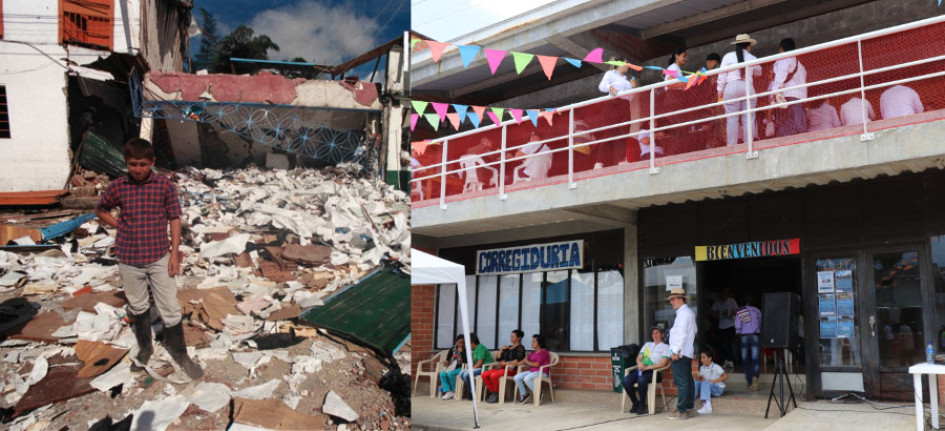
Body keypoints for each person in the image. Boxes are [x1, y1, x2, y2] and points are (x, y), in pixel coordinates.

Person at [95, 138, 204, 379]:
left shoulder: (164, 186)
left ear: (152, 162)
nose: (138, 169)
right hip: (129, 257)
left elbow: (174, 218)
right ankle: (145, 348)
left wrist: (174, 253)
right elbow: (101, 208)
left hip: (158, 256)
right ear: (126, 162)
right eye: (133, 164)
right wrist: (119, 226)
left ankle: (181, 354)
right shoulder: (118, 186)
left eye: (143, 164)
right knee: (137, 305)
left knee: (169, 306)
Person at [717, 34, 763, 146]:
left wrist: (720, 94)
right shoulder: (752, 58)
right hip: (747, 87)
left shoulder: (728, 57)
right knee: (748, 119)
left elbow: (721, 77)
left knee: (732, 119)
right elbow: (759, 72)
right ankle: (749, 145)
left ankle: (731, 146)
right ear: (748, 47)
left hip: (731, 87)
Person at [623, 326, 670, 415]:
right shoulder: (647, 345)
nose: (655, 335)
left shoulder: (666, 347)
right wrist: (639, 363)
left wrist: (648, 367)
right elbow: (639, 358)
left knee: (642, 379)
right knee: (626, 380)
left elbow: (664, 363)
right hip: (642, 369)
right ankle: (635, 402)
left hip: (655, 372)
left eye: (657, 333)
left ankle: (642, 405)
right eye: (653, 333)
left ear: (662, 335)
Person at [666, 287, 697, 420]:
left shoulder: (683, 314)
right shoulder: (687, 313)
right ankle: (688, 407)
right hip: (685, 352)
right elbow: (694, 330)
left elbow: (681, 334)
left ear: (679, 299)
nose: (671, 302)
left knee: (682, 382)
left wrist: (675, 351)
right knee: (687, 380)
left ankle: (681, 409)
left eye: (672, 299)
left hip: (680, 352)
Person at [768, 38, 808, 137]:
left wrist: (774, 92)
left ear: (781, 49)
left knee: (786, 130)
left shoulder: (784, 58)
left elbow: (780, 75)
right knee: (799, 130)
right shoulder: (801, 66)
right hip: (800, 100)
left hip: (786, 98)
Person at [482, 329, 527, 403]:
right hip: (502, 369)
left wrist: (506, 363)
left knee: (493, 375)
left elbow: (518, 361)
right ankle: (493, 392)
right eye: (510, 336)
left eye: (513, 336)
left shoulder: (520, 348)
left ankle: (496, 394)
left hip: (512, 370)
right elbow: (498, 358)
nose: (511, 338)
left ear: (519, 338)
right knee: (484, 374)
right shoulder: (508, 347)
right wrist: (501, 349)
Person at [512, 334, 551, 404]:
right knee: (517, 377)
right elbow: (524, 361)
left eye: (534, 342)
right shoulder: (533, 352)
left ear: (539, 343)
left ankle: (538, 394)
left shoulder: (543, 351)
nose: (531, 343)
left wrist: (527, 362)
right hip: (532, 372)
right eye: (532, 341)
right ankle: (525, 395)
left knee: (527, 379)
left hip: (542, 372)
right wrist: (515, 364)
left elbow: (537, 364)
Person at [735, 296, 762, 391]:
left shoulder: (741, 311)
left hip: (744, 337)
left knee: (745, 359)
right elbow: (760, 323)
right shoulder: (757, 311)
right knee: (755, 358)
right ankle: (755, 377)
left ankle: (750, 382)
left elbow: (738, 325)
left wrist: (738, 333)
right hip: (755, 335)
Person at [457, 333, 493, 400]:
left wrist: (472, 368)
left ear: (472, 342)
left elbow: (479, 363)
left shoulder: (481, 348)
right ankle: (472, 390)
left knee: (466, 375)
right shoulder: (474, 350)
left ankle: (472, 393)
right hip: (478, 368)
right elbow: (473, 363)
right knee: (461, 373)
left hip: (484, 368)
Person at [710, 287, 739, 369]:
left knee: (729, 344)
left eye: (726, 292)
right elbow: (711, 310)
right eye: (723, 292)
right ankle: (725, 361)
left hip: (730, 326)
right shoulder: (718, 303)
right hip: (721, 327)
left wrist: (732, 314)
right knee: (721, 345)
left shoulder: (731, 301)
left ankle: (731, 361)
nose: (724, 294)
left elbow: (737, 310)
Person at [694, 349, 728, 415]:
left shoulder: (716, 367)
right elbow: (703, 380)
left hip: (718, 389)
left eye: (704, 357)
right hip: (709, 388)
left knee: (706, 382)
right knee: (697, 382)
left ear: (710, 358)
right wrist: (696, 376)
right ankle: (690, 402)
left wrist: (713, 381)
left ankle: (708, 406)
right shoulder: (702, 368)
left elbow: (725, 376)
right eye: (701, 358)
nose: (702, 360)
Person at [438, 335, 467, 400]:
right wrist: (447, 361)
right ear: (456, 342)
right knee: (442, 374)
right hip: (451, 367)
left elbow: (466, 361)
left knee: (450, 374)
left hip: (461, 368)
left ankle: (455, 390)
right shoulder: (453, 349)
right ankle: (448, 391)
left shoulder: (465, 350)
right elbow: (448, 359)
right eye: (460, 342)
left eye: (463, 343)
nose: (461, 344)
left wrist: (461, 352)